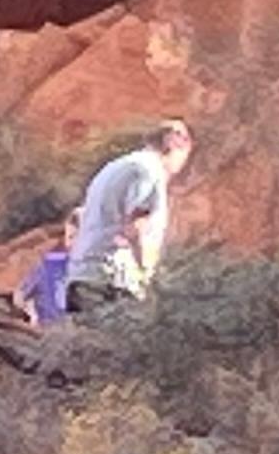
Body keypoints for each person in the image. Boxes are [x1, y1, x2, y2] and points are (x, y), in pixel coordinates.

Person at [64, 119, 192, 315]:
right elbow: (135, 227)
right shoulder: (150, 170)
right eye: (184, 157)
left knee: (84, 343)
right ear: (176, 146)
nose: (180, 167)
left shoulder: (116, 167)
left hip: (83, 275)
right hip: (114, 281)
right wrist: (147, 276)